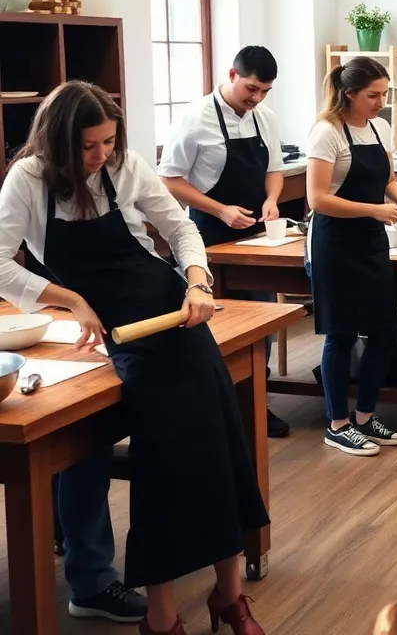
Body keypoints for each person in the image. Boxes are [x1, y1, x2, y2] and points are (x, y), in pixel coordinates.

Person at [0, 82, 268, 634]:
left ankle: (229, 593)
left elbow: (179, 227)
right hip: (113, 327)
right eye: (88, 146)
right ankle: (161, 614)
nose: (101, 155)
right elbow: (1, 264)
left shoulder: (125, 164)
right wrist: (70, 300)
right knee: (164, 454)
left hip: (170, 310)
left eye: (108, 142)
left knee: (220, 437)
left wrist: (197, 280)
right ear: (58, 142)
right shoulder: (28, 178)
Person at [158, 45, 289, 439]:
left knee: (261, 318)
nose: (257, 98)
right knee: (217, 323)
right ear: (232, 75)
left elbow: (275, 169)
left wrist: (271, 200)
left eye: (265, 91)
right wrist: (220, 210)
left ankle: (256, 402)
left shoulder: (265, 118)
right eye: (252, 88)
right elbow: (170, 180)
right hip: (209, 235)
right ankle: (217, 409)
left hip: (254, 235)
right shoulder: (195, 118)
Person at [306, 56, 397, 456]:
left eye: (384, 94)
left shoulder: (379, 127)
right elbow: (318, 199)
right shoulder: (327, 132)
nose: (380, 102)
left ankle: (365, 416)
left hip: (371, 240)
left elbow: (387, 178)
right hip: (335, 242)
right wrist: (375, 210)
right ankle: (337, 424)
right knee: (341, 333)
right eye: (373, 95)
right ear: (349, 92)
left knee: (385, 331)